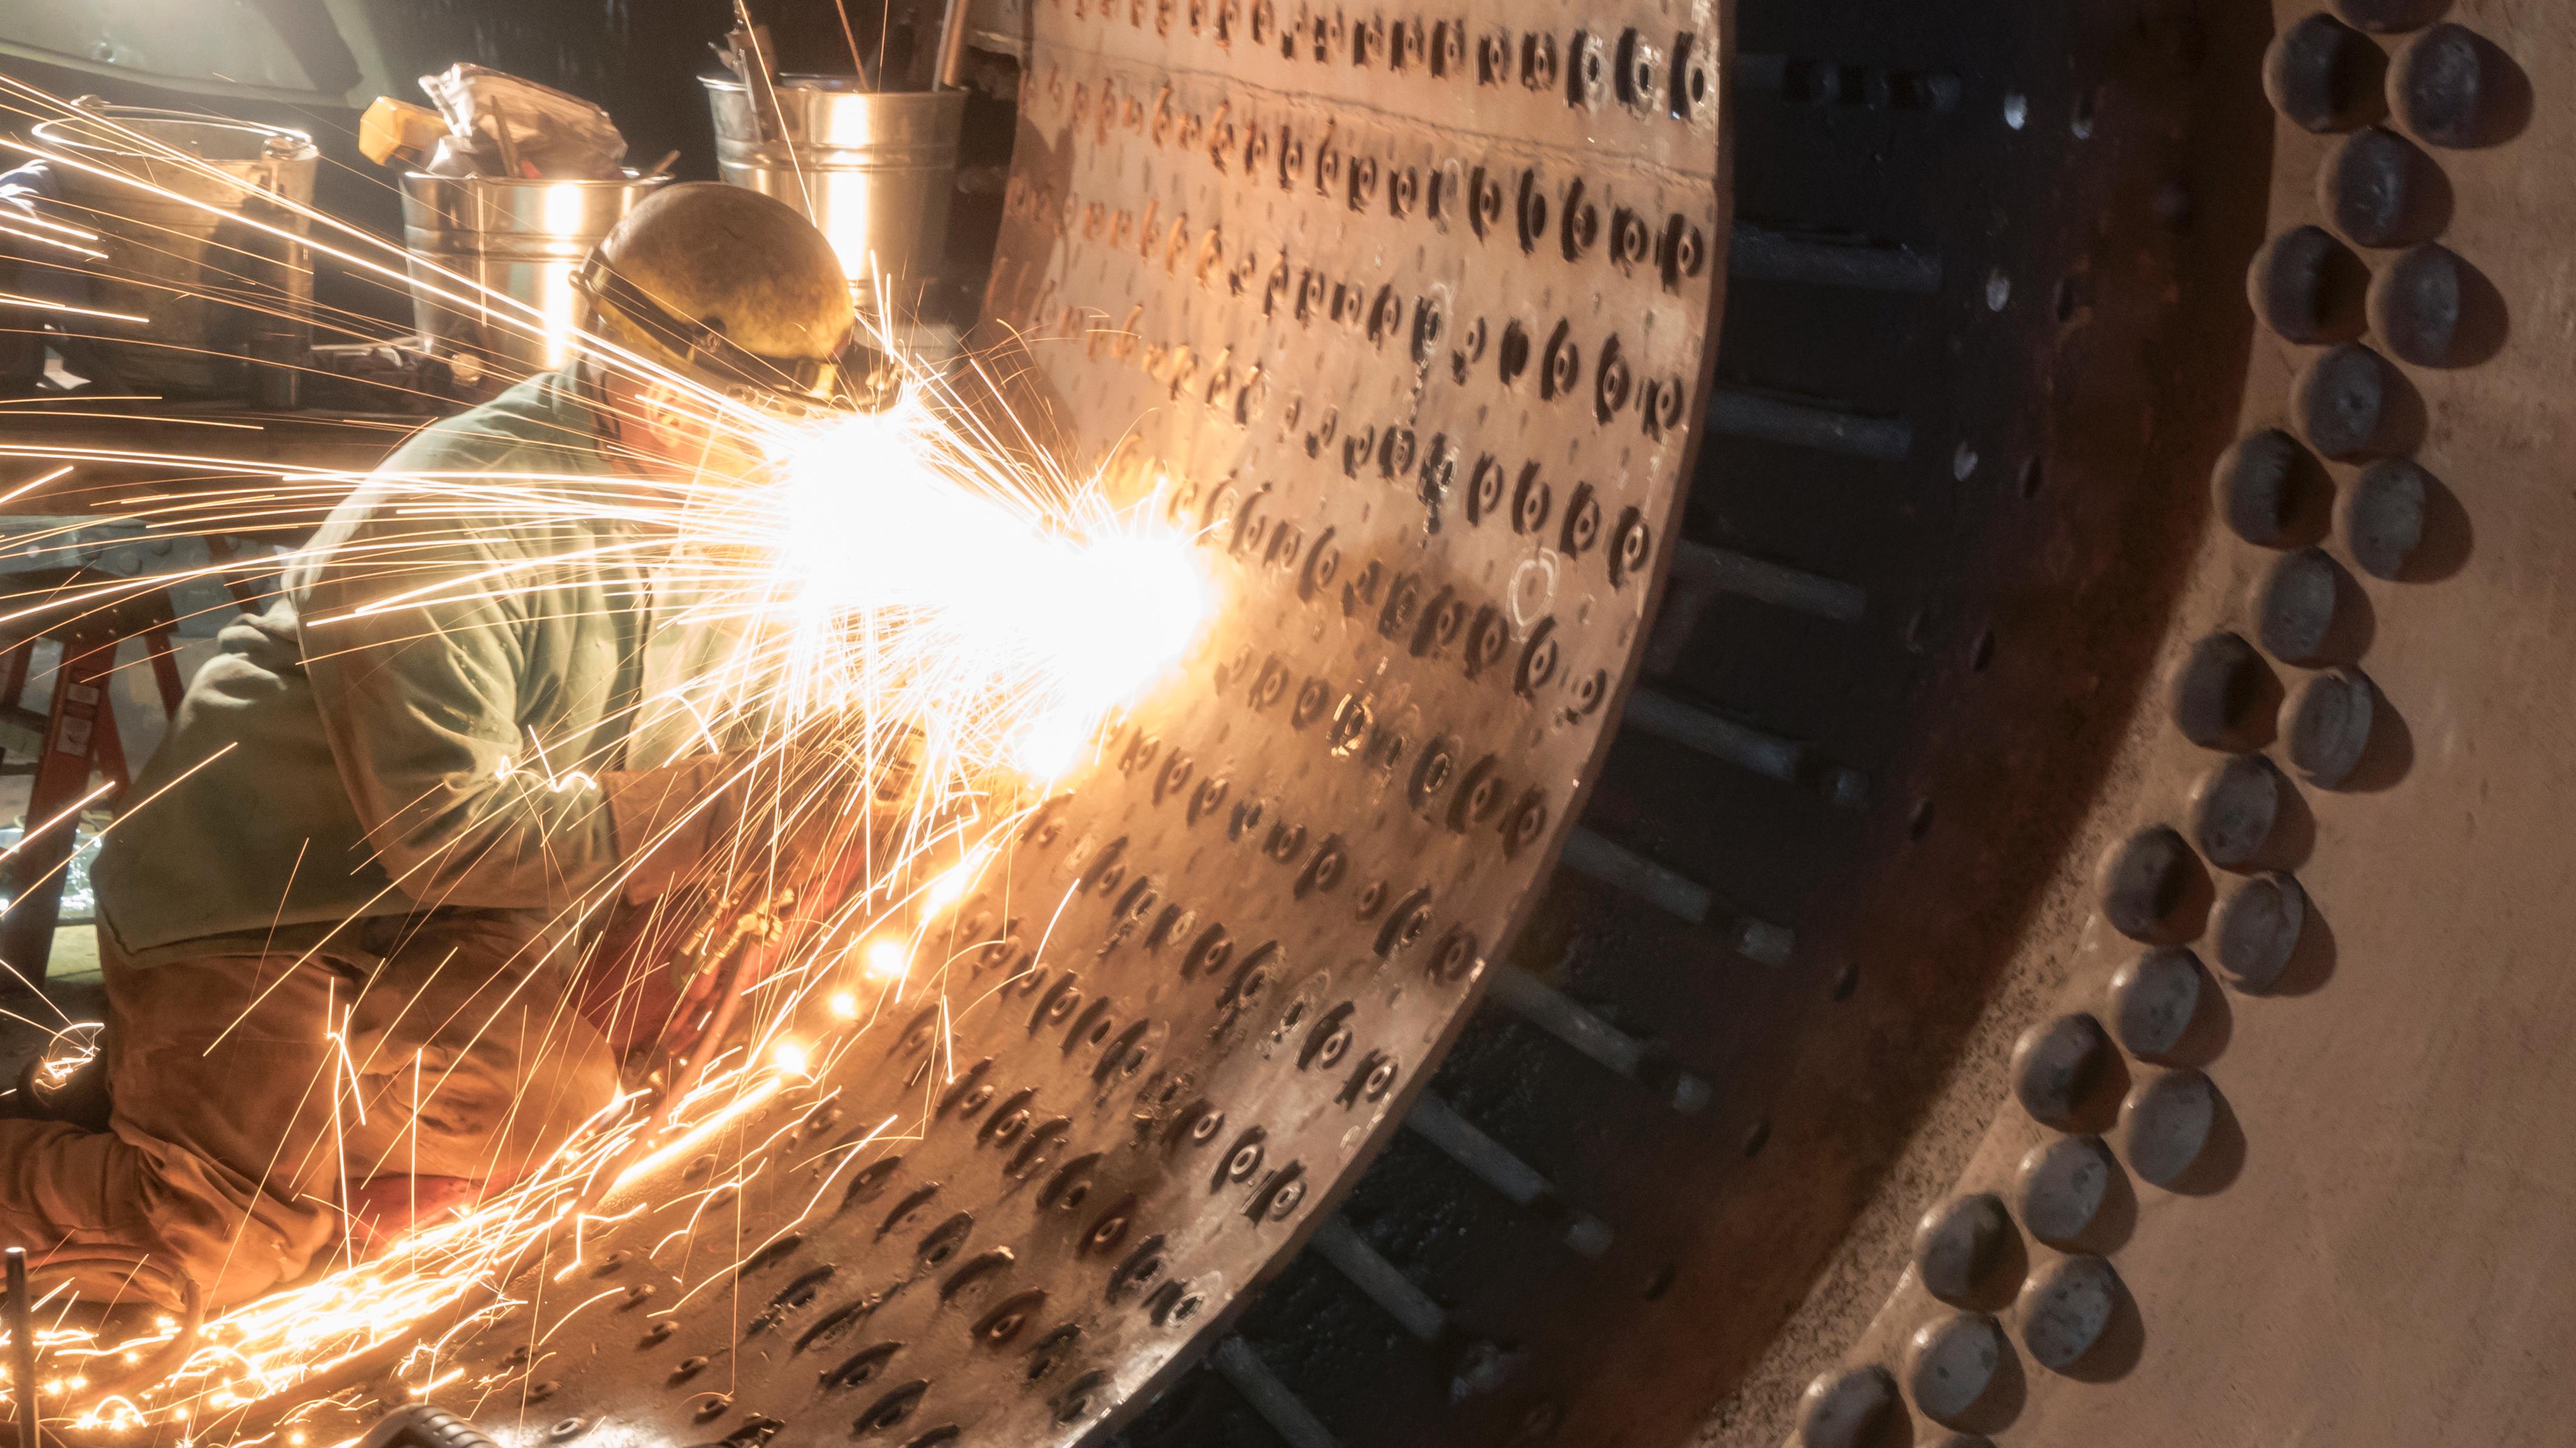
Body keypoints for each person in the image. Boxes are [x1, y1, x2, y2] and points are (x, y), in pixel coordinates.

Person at [0, 183, 862, 1313]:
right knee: (221, 1245)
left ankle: (198, 1108)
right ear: (638, 378)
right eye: (746, 419)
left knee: (578, 1106)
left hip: (441, 936)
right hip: (261, 918)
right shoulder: (458, 514)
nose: (775, 455)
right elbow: (451, 836)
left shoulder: (747, 514)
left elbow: (770, 742)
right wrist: (723, 805)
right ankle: (160, 1145)